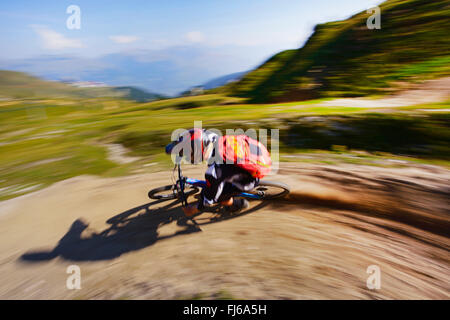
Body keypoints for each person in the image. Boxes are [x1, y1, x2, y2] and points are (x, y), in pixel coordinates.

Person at [165, 128, 271, 217]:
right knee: (217, 180)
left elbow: (210, 198)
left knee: (220, 198)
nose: (187, 156)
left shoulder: (214, 172)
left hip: (248, 179)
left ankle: (238, 204)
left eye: (188, 153)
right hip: (258, 155)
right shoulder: (216, 140)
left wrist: (195, 209)